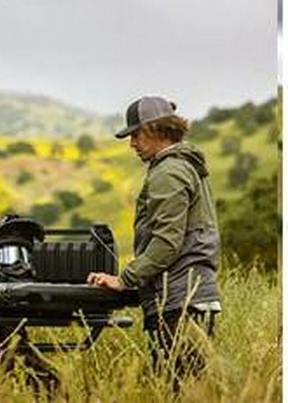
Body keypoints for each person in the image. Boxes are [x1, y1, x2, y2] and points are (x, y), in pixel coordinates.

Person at [87, 96, 221, 386]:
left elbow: (167, 243)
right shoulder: (184, 166)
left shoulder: (169, 172)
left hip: (177, 300)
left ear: (154, 128)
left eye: (135, 134)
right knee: (185, 387)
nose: (132, 143)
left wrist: (125, 279)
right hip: (190, 296)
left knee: (178, 388)